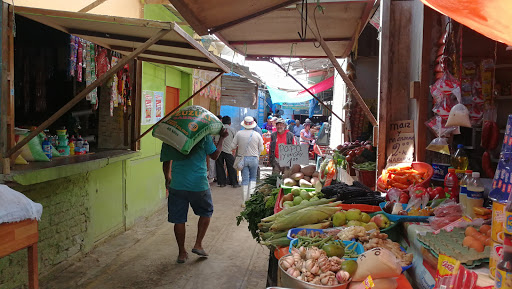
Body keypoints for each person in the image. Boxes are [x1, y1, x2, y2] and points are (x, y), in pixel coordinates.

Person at [161, 127, 229, 264]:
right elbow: (215, 155)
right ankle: (198, 244)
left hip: (177, 184)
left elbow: (166, 161)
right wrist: (221, 138)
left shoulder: (171, 137)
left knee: (179, 219)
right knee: (206, 212)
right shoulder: (202, 136)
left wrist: (167, 178)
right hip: (199, 185)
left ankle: (181, 253)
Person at [231, 116, 264, 207]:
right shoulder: (257, 134)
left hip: (243, 159)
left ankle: (244, 202)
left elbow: (233, 146)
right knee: (253, 178)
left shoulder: (239, 133)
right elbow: (261, 148)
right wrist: (256, 154)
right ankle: (250, 200)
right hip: (254, 159)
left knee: (245, 179)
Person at [215, 116, 239, 188]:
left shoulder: (219, 130)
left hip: (219, 151)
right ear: (230, 123)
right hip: (229, 151)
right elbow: (236, 141)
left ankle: (222, 183)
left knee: (219, 166)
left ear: (222, 122)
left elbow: (216, 141)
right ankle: (234, 183)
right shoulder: (233, 130)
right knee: (231, 167)